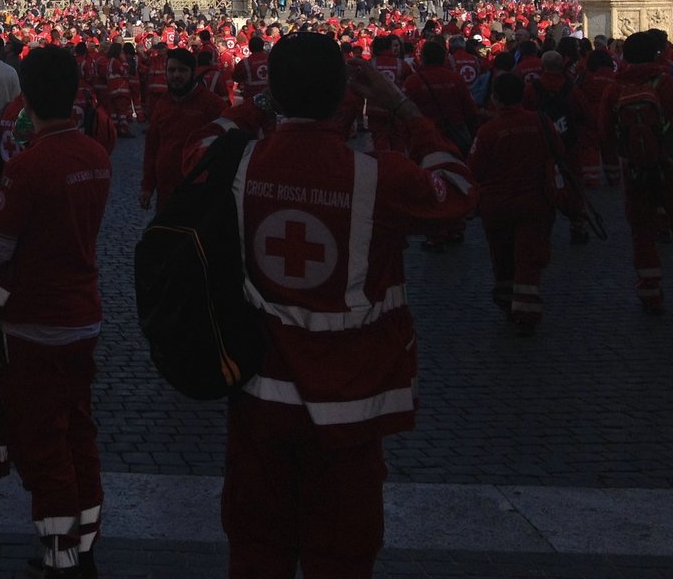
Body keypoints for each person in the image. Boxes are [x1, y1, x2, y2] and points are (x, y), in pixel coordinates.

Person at [205, 32, 477, 579]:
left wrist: (261, 105)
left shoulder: (236, 166)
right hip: (351, 406)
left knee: (257, 551)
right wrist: (401, 105)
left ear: (273, 94)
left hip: (260, 396)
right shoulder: (378, 177)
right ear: (344, 96)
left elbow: (198, 145)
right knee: (342, 558)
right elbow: (459, 189)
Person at [0, 46, 111, 578]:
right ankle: (88, 533)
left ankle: (60, 552)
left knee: (43, 437)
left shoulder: (30, 167)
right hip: (85, 312)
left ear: (27, 99)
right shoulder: (96, 156)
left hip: (37, 320)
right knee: (80, 427)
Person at [599, 29, 673, 313]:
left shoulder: (614, 89)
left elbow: (604, 132)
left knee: (642, 233)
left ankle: (650, 293)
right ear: (657, 54)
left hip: (635, 172)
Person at [469, 72, 569, 334]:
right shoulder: (542, 122)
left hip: (497, 204)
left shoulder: (488, 131)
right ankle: (526, 309)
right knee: (529, 258)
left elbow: (475, 169)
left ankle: (507, 300)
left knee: (502, 256)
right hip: (535, 202)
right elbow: (559, 152)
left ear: (496, 99)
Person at [140, 48, 226, 212]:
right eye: (171, 70)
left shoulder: (211, 104)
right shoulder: (162, 104)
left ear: (193, 73)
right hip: (166, 191)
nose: (176, 75)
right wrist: (147, 187)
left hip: (199, 191)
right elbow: (152, 147)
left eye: (182, 70)